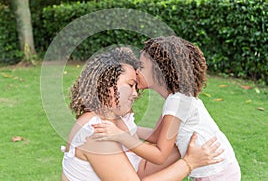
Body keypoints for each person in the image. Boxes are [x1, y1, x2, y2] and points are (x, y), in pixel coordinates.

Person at [62, 46, 224, 181]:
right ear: (107, 85)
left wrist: (187, 140)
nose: (135, 93)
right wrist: (189, 163)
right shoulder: (97, 134)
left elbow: (142, 169)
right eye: (131, 85)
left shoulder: (118, 122)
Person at [93, 37, 240, 180]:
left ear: (160, 71)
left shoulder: (177, 102)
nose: (137, 71)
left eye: (142, 67)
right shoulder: (176, 99)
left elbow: (160, 154)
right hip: (215, 169)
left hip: (217, 172)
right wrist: (125, 126)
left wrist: (120, 135)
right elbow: (157, 136)